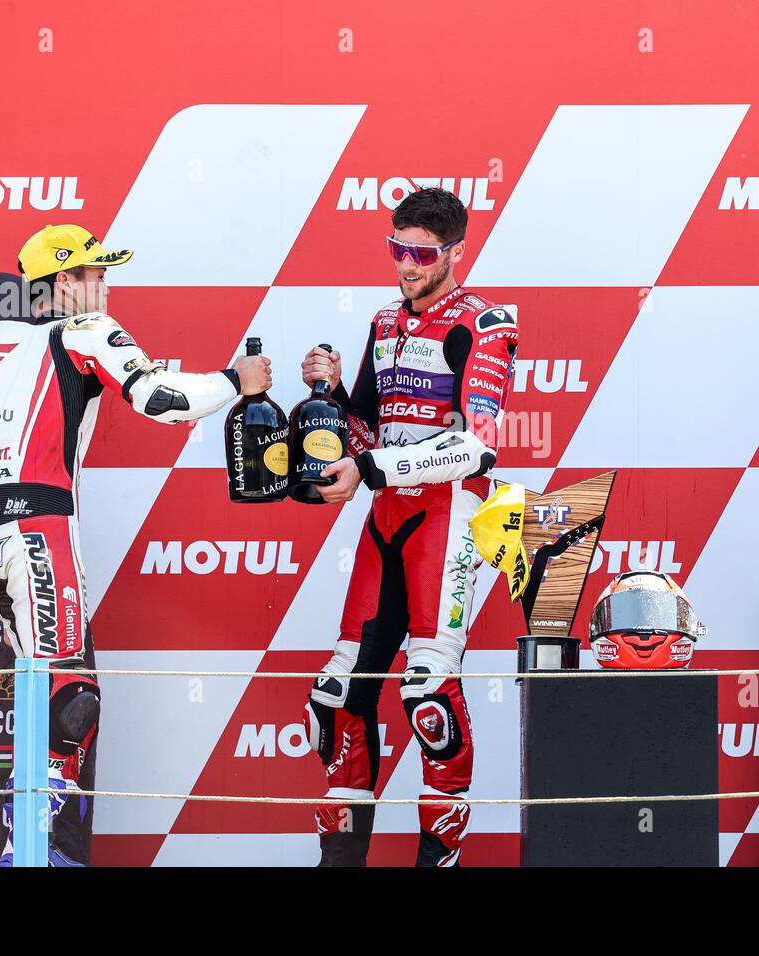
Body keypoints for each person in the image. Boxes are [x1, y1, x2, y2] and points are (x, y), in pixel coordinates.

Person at [0, 223, 271, 865]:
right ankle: (32, 855)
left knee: (38, 686)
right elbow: (161, 399)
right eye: (96, 273)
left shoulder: (2, 355)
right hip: (35, 519)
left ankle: (28, 847)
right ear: (65, 283)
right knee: (72, 698)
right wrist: (236, 380)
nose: (105, 285)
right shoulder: (84, 330)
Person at [299, 187, 519, 866]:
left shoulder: (483, 325)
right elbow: (366, 430)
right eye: (398, 249)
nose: (407, 264)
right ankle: (341, 858)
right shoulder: (385, 321)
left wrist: (372, 470)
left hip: (447, 518)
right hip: (386, 517)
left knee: (427, 691)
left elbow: (478, 446)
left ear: (455, 251)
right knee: (337, 694)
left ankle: (438, 859)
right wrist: (332, 397)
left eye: (421, 253)